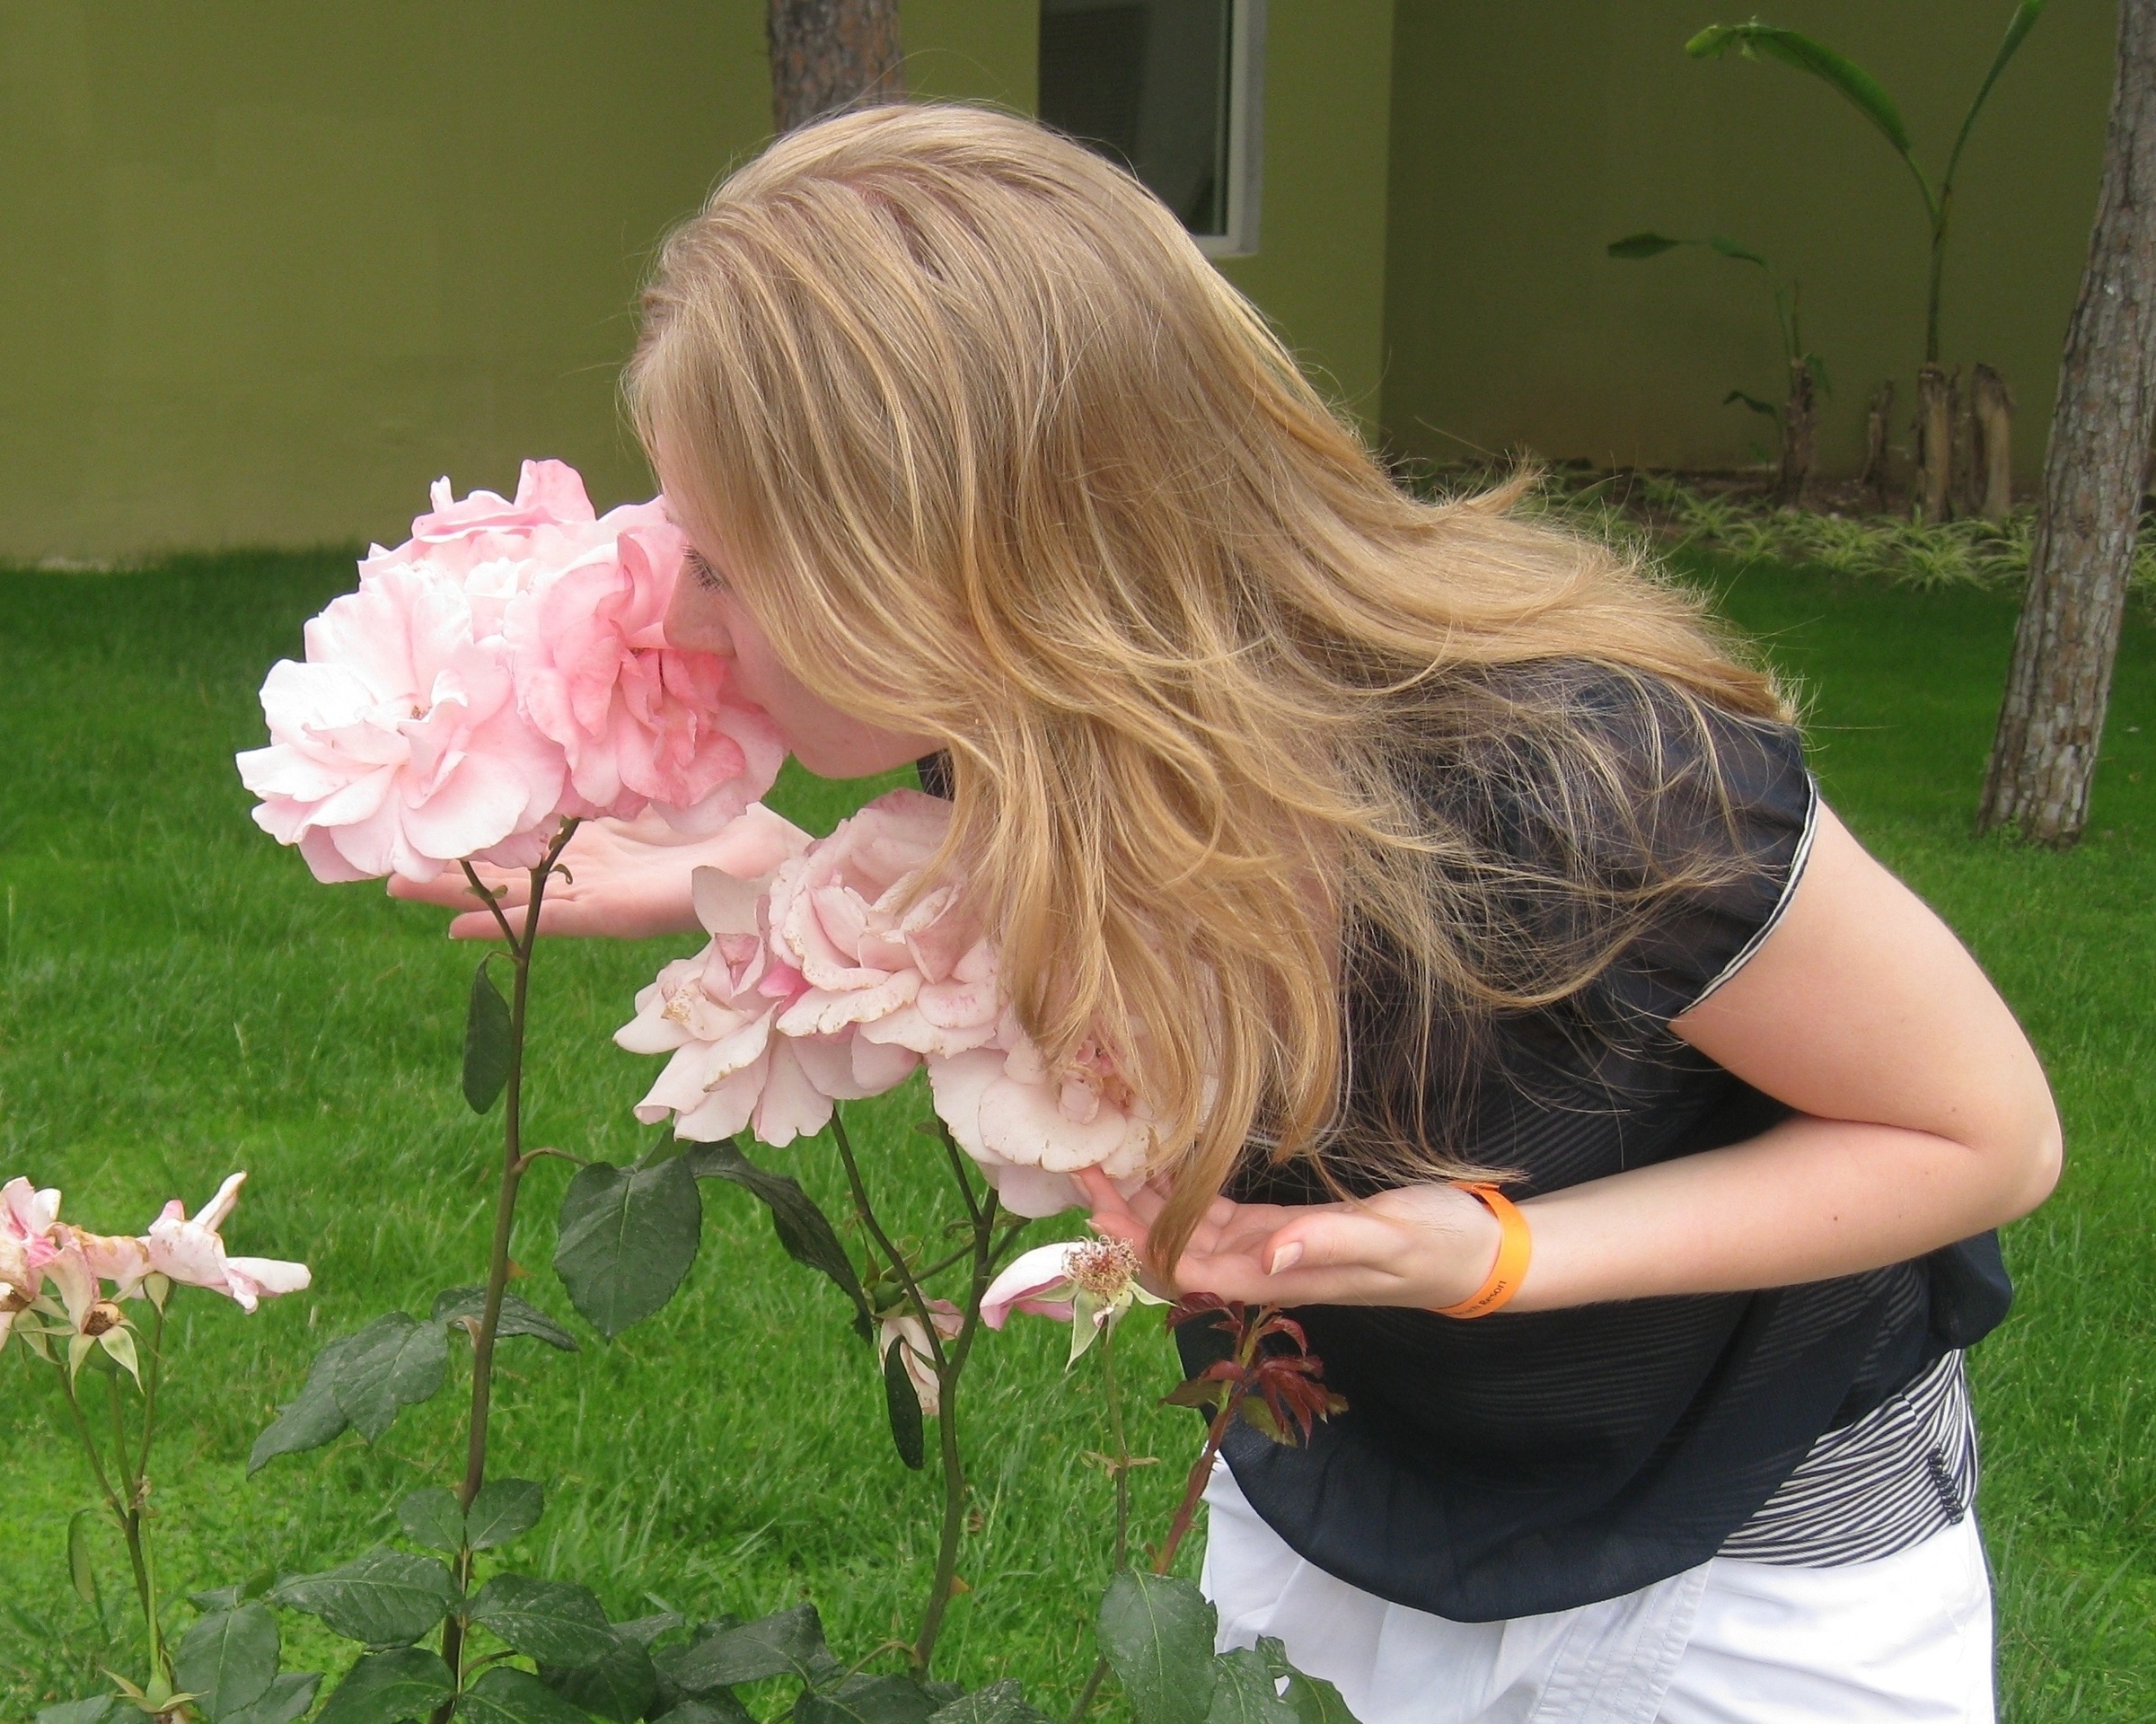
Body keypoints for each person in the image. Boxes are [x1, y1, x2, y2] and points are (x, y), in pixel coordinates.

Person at [394, 105, 2059, 1724]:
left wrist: (1496, 1257)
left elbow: (1979, 1136)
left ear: (932, 574)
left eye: (720, 567)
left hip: (1732, 1547)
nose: (676, 616)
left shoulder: (1584, 784)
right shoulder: (1025, 736)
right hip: (1350, 1482)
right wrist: (764, 877)